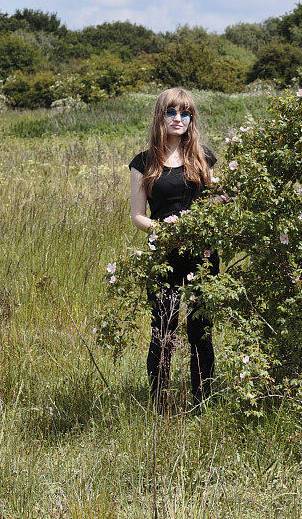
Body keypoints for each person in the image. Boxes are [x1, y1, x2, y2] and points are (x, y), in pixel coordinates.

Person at [129, 87, 219, 411]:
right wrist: (164, 230)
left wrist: (221, 199)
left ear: (191, 119)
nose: (178, 119)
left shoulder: (203, 157)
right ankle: (160, 405)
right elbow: (138, 215)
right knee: (163, 330)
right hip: (163, 255)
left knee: (200, 331)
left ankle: (201, 405)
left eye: (185, 113)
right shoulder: (143, 162)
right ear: (161, 116)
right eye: (171, 112)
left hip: (202, 255)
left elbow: (216, 199)